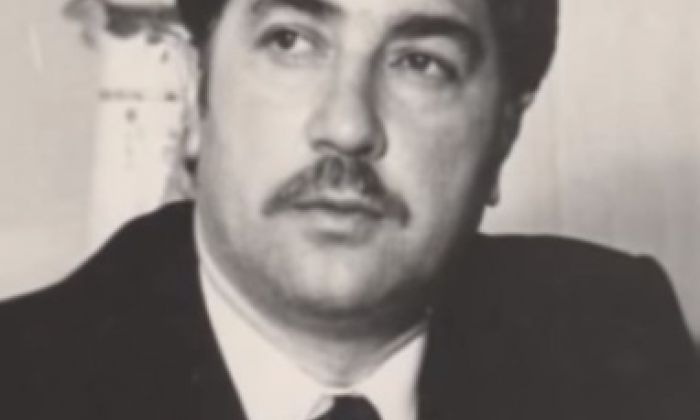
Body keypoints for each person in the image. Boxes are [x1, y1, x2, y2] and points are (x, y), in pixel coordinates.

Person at [1, 0, 698, 419]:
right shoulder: (25, 383)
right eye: (291, 41)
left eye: (420, 62)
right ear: (193, 93)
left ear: (504, 136)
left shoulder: (611, 343)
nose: (347, 124)